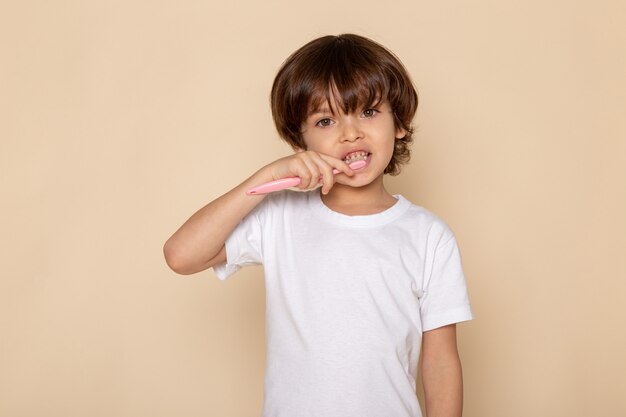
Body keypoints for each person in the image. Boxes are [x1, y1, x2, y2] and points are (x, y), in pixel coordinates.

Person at [164, 33, 473, 417]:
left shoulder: (429, 236)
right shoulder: (280, 215)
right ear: (300, 141)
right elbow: (181, 255)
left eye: (369, 112)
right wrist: (264, 179)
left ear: (400, 123)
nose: (350, 133)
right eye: (325, 120)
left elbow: (441, 363)